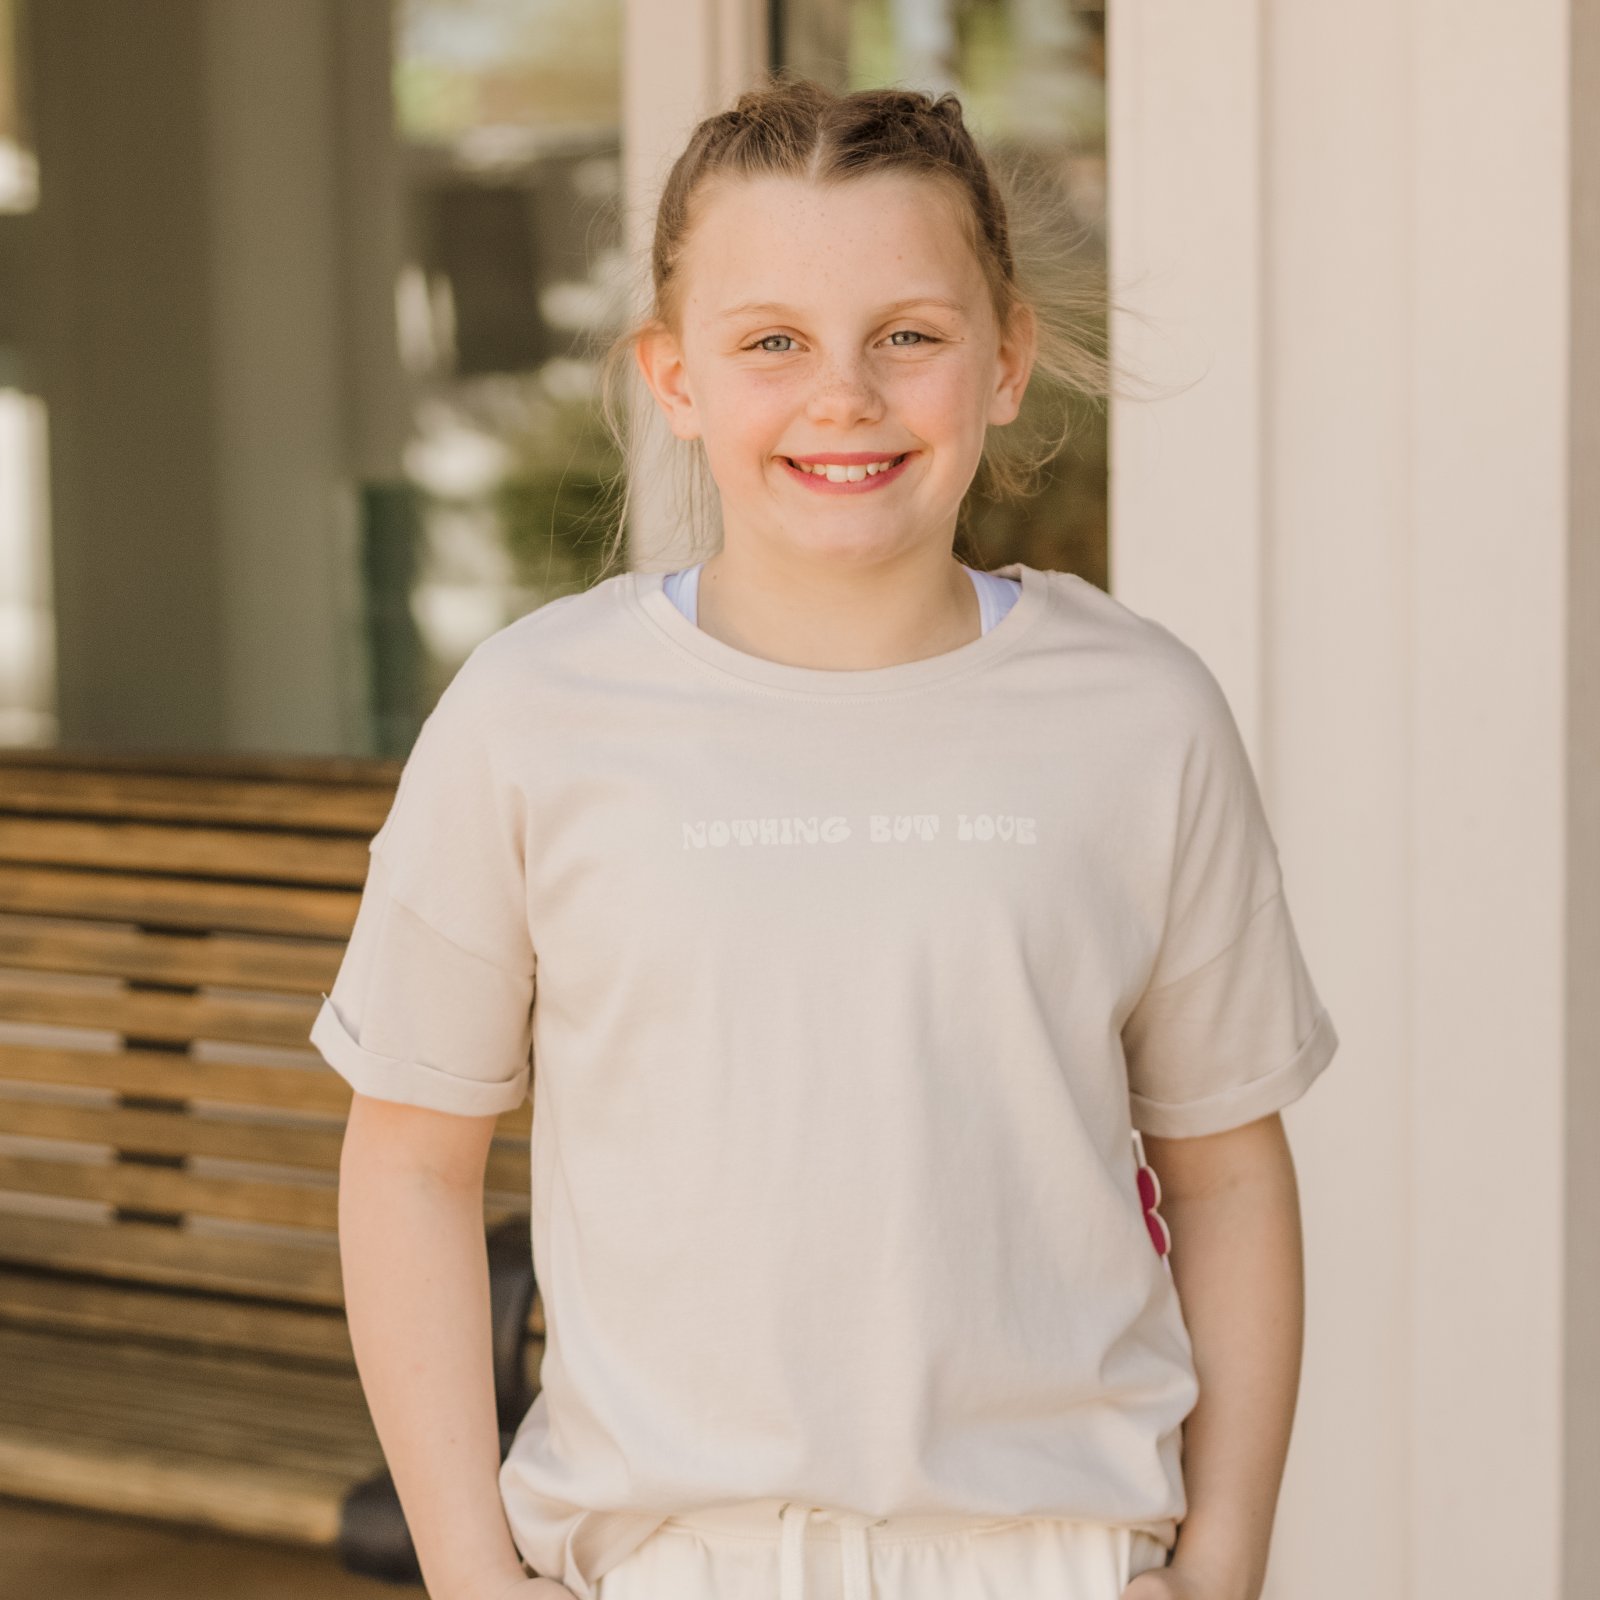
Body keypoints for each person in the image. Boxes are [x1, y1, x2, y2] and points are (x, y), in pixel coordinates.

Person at [312, 74, 1340, 1600]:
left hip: (1051, 1562)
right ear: (673, 378)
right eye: (772, 342)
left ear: (1006, 361)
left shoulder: (1142, 715)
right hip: (676, 1566)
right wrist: (471, 1573)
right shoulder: (534, 713)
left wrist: (1225, 1562)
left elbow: (1230, 1170)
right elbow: (408, 1160)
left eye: (908, 336)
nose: (844, 394)